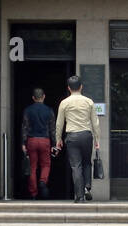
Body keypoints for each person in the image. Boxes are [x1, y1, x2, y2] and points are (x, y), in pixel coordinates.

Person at [56, 74, 99, 204]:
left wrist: (58, 138)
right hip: (86, 135)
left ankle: (79, 196)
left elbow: (59, 123)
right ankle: (87, 187)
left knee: (76, 166)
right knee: (87, 162)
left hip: (72, 136)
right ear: (81, 87)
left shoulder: (64, 103)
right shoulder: (89, 101)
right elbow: (95, 122)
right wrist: (97, 139)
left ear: (69, 88)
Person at [20, 87, 56, 199]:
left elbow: (25, 127)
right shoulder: (49, 110)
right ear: (44, 96)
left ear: (33, 98)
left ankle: (33, 193)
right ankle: (42, 181)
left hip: (32, 140)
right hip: (45, 140)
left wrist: (23, 143)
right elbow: (52, 129)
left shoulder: (28, 110)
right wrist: (54, 144)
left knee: (32, 167)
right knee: (46, 165)